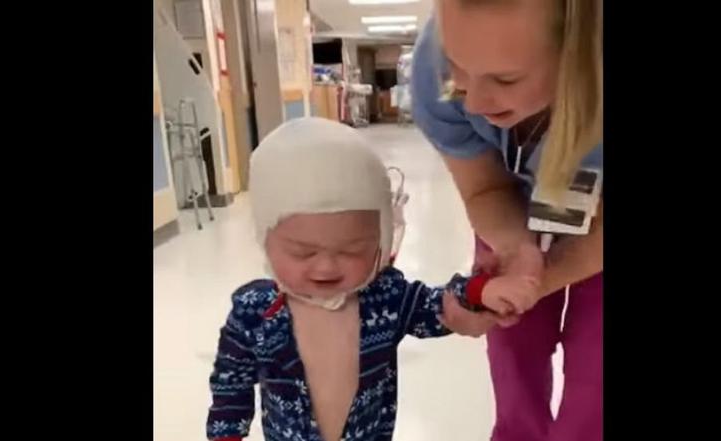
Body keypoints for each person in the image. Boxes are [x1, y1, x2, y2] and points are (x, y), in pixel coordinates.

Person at [205, 117, 509, 441]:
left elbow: (438, 305)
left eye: (352, 250)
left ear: (381, 238)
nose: (326, 268)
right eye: (302, 252)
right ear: (265, 240)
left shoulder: (386, 297)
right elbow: (231, 384)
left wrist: (479, 292)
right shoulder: (254, 313)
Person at [410, 1, 603, 441]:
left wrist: (537, 282)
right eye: (458, 70)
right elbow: (485, 190)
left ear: (574, 52)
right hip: (514, 197)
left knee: (596, 373)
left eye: (506, 79)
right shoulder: (433, 68)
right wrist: (515, 257)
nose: (474, 102)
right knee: (513, 354)